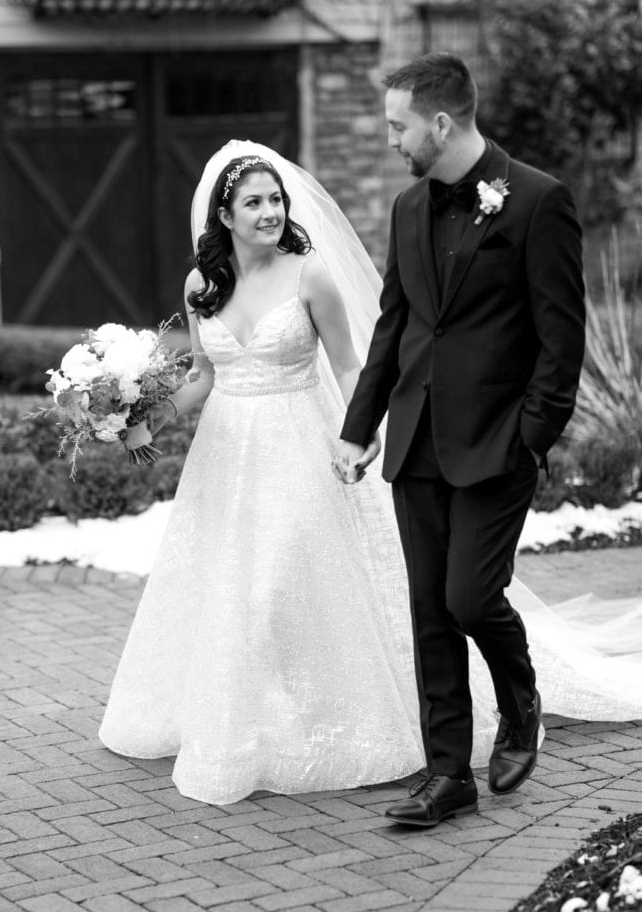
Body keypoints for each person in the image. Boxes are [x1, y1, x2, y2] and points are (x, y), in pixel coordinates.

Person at [99, 139, 642, 811]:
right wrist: (142, 421)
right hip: (226, 457)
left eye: (275, 200)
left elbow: (355, 364)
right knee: (235, 590)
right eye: (254, 203)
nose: (269, 212)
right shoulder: (200, 284)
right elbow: (206, 377)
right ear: (225, 216)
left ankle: (329, 721)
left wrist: (360, 433)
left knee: (273, 584)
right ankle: (254, 724)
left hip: (300, 443)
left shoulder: (310, 274)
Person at [336, 51, 586, 826]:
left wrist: (530, 437)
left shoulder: (538, 201)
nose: (389, 140)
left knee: (471, 598)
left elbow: (561, 338)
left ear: (439, 123)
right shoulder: (409, 208)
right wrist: (357, 427)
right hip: (415, 441)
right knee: (428, 611)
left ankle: (519, 699)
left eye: (396, 126)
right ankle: (448, 776)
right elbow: (395, 325)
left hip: (494, 445)